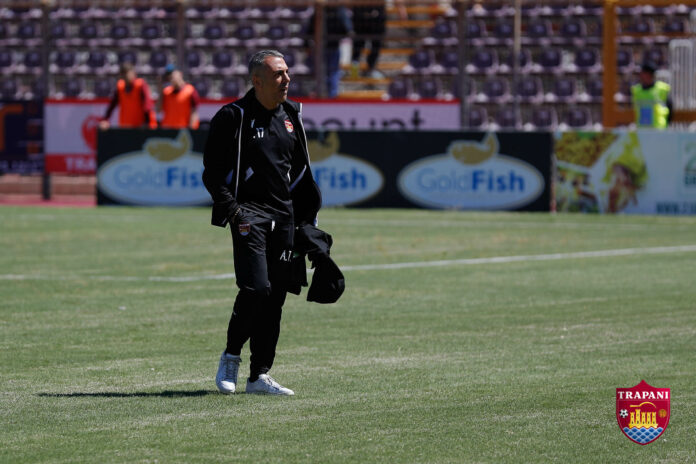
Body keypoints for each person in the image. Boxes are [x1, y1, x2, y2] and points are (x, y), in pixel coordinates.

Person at [203, 50, 322, 396]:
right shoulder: (233, 117)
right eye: (278, 74)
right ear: (257, 81)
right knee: (257, 289)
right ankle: (231, 357)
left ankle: (259, 376)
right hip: (248, 216)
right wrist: (234, 212)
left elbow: (300, 173)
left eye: (287, 72)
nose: (287, 80)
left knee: (277, 298)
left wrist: (308, 222)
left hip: (285, 219)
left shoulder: (292, 116)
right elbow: (212, 173)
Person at [307, 6, 352, 98]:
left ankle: (331, 96)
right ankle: (325, 95)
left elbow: (347, 29)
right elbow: (310, 28)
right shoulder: (320, 11)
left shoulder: (339, 12)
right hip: (321, 48)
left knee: (332, 72)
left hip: (332, 47)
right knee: (325, 72)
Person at [99, 62, 157, 130]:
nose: (125, 76)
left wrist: (147, 123)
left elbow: (147, 105)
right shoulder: (120, 87)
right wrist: (105, 120)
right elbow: (112, 106)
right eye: (123, 73)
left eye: (126, 73)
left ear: (133, 73)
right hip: (125, 127)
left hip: (140, 127)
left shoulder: (140, 85)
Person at [631, 61, 672, 129]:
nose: (641, 76)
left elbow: (670, 108)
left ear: (650, 74)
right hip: (642, 131)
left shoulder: (662, 89)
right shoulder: (636, 90)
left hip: (659, 131)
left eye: (643, 73)